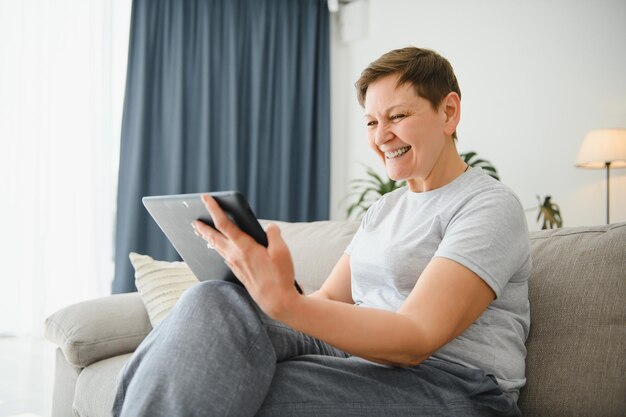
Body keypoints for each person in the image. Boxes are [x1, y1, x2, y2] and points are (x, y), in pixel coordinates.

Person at [112, 46, 531, 417]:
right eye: (370, 122)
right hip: (366, 363)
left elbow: (417, 337)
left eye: (397, 117)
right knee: (213, 298)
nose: (382, 136)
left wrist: (286, 306)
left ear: (449, 112)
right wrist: (260, 292)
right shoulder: (385, 208)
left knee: (231, 385)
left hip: (452, 387)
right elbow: (329, 298)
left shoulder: (488, 206)